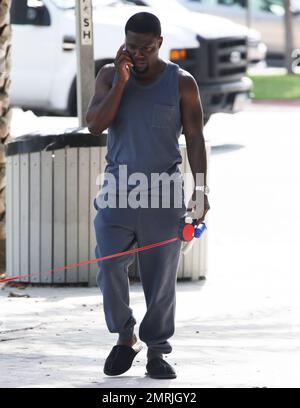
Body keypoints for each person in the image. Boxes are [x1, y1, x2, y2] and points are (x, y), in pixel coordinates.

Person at [86, 12, 210, 380]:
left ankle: (157, 349)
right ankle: (126, 336)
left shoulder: (182, 83)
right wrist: (122, 83)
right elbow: (95, 125)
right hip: (117, 191)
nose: (137, 54)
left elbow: (196, 139)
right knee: (109, 266)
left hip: (164, 194)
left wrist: (201, 190)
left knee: (161, 278)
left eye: (145, 47)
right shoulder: (110, 75)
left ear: (159, 42)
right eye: (131, 46)